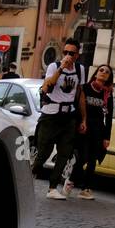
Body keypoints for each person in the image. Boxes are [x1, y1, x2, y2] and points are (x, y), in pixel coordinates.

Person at [34, 37, 86, 200]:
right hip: (51, 115)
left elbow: (80, 94)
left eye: (72, 53)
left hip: (68, 115)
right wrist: (61, 68)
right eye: (65, 52)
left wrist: (83, 119)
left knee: (65, 153)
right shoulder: (53, 66)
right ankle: (26, 176)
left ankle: (52, 187)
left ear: (78, 55)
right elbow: (48, 86)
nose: (68, 55)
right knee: (43, 152)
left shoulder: (80, 69)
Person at [75, 64, 115, 201]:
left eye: (107, 72)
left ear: (109, 77)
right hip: (84, 128)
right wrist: (80, 122)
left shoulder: (107, 94)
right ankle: (71, 180)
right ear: (96, 73)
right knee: (82, 157)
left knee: (92, 160)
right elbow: (78, 107)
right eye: (101, 70)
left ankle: (85, 189)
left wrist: (107, 137)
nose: (103, 73)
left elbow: (109, 116)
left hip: (98, 130)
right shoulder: (85, 88)